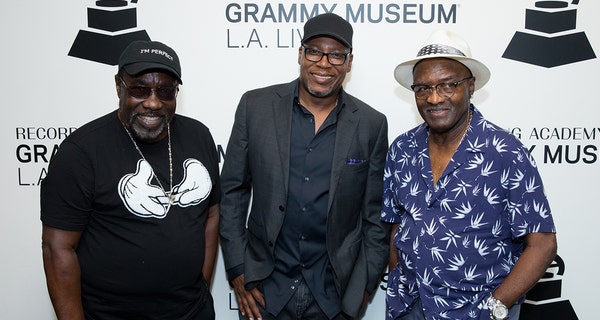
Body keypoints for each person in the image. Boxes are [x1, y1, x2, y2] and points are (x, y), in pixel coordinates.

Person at [219, 13, 390, 320]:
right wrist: (237, 268)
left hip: (334, 296)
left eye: (337, 55)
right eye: (314, 51)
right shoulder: (255, 107)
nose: (324, 63)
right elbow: (232, 192)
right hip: (264, 291)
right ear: (300, 54)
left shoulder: (370, 124)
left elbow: (375, 216)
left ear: (350, 63)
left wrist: (363, 287)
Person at [382, 30, 557, 320]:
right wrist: (398, 290)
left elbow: (543, 244)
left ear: (471, 85)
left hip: (478, 311)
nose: (434, 97)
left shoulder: (505, 152)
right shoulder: (402, 149)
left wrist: (497, 306)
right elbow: (397, 226)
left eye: (448, 85)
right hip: (410, 306)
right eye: (422, 88)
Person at [40, 40, 220, 320]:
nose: (152, 102)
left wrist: (201, 288)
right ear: (118, 86)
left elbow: (210, 214)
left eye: (165, 91)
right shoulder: (82, 151)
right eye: (139, 89)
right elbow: (57, 248)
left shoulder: (199, 136)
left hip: (191, 312)